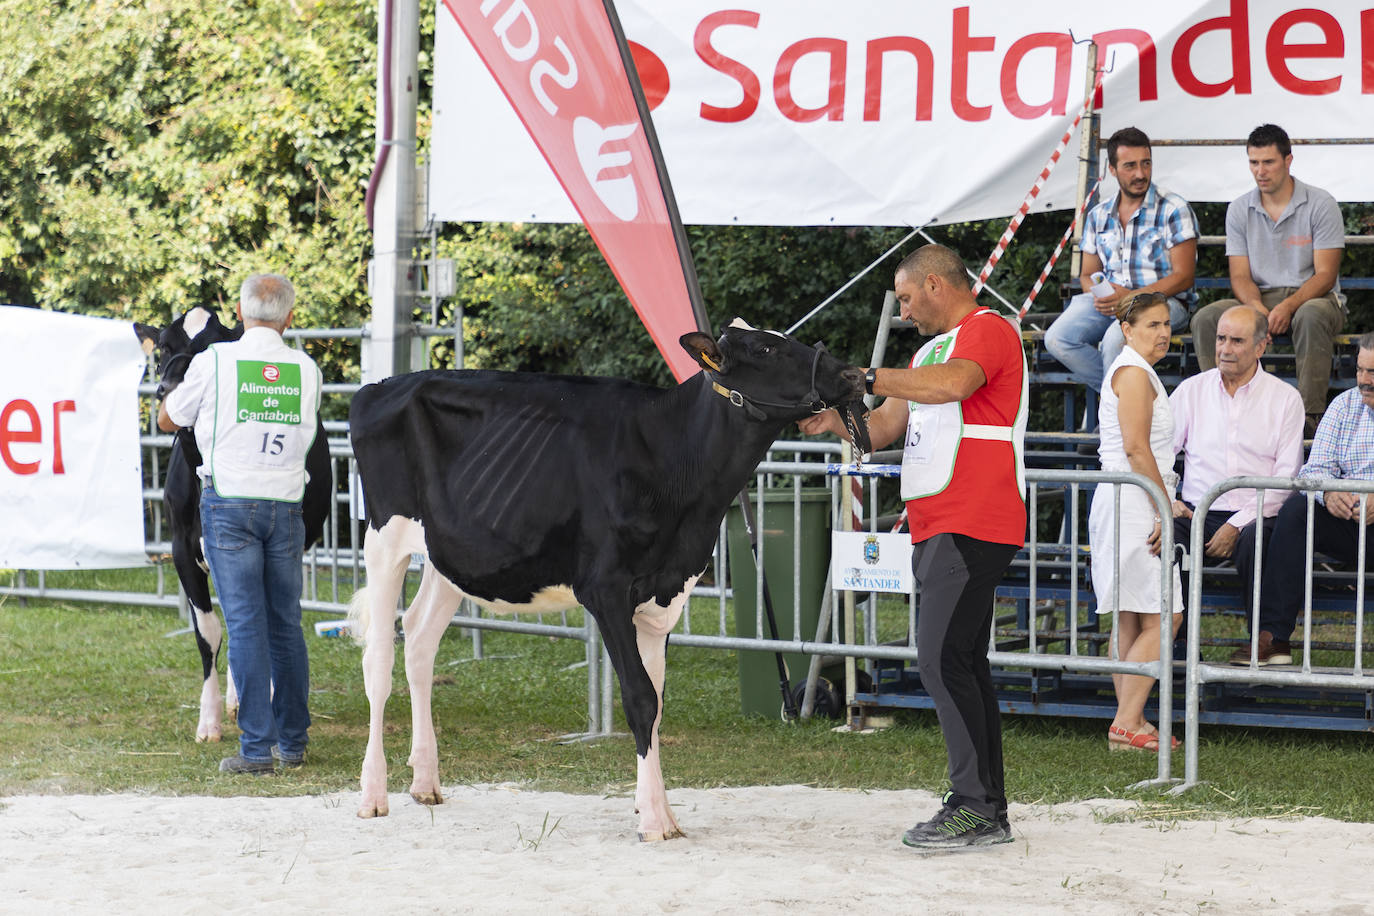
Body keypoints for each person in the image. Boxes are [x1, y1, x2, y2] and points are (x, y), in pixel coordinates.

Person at [800, 243, 1028, 850]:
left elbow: (955, 386)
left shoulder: (989, 331)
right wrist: (836, 419)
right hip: (943, 523)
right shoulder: (927, 351)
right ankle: (986, 807)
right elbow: (880, 429)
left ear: (934, 283)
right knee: (961, 664)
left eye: (906, 298)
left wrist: (866, 377)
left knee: (940, 661)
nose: (903, 312)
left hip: (972, 519)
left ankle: (975, 805)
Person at [157, 273, 323, 774]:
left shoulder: (214, 362)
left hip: (229, 505)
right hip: (287, 505)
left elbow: (170, 419)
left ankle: (256, 751)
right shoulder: (306, 369)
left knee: (247, 623)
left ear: (240, 311)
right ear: (289, 317)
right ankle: (292, 744)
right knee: (286, 625)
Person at [1191, 123, 1346, 436]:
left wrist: (1288, 305)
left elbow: (1326, 275)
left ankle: (1309, 418)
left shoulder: (1320, 203)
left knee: (1311, 315)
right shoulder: (1239, 208)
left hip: (1315, 297)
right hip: (1260, 295)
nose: (1260, 171)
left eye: (1268, 162)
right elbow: (1239, 275)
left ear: (1288, 161)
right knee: (1206, 318)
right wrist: (1256, 308)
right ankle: (1219, 405)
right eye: (1254, 162)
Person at [1231, 334, 1374, 666]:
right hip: (1351, 525)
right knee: (1298, 508)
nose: (1365, 380)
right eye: (1361, 370)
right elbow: (1313, 470)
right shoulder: (1344, 405)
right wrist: (1327, 492)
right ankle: (1273, 639)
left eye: (1373, 372)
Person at [1164, 305, 1304, 630]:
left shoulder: (1285, 399)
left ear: (1260, 347)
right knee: (1164, 538)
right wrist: (1168, 499)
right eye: (1221, 339)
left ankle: (1263, 644)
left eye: (1237, 341)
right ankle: (1179, 652)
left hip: (1258, 514)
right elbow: (1159, 453)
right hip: (1197, 511)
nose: (1225, 349)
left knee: (1259, 542)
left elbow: (1285, 479)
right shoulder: (1191, 390)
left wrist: (1237, 524)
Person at [1088, 292, 1184, 753]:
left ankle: (1132, 721)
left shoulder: (1134, 372)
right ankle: (1127, 722)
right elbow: (1136, 449)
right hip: (1136, 499)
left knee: (1133, 614)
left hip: (1128, 497)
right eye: (1151, 324)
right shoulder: (1133, 374)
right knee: (1166, 614)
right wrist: (1164, 506)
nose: (1163, 332)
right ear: (1127, 330)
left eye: (1166, 323)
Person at [1044, 126, 1198, 396]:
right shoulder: (1098, 214)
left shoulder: (1174, 208)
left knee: (1117, 338)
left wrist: (1134, 297)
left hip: (1163, 302)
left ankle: (1116, 420)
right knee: (1057, 338)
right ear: (1112, 170)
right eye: (1130, 166)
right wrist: (1102, 295)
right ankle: (1125, 403)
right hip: (1112, 302)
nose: (1140, 174)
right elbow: (1087, 274)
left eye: (1146, 164)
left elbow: (1184, 277)